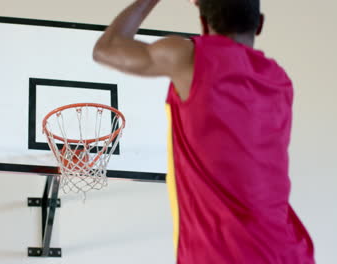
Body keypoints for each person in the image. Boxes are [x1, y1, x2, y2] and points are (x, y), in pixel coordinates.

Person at [92, 0, 315, 263]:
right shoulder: (279, 80)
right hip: (289, 252)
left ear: (203, 23)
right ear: (260, 25)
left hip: (222, 255)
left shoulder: (189, 57)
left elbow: (107, 48)